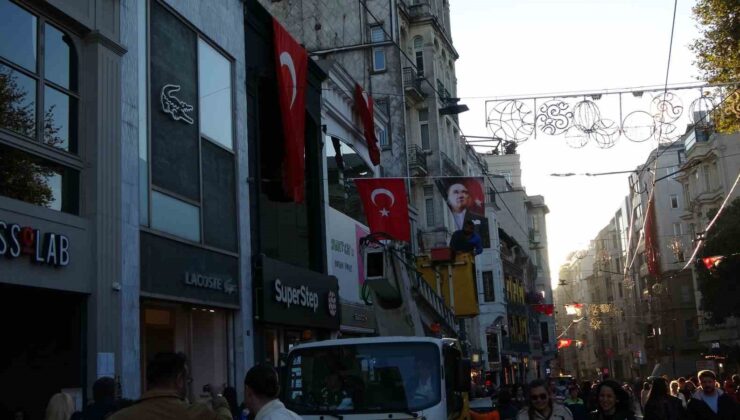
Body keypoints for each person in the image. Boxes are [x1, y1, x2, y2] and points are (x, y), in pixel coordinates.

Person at [109, 352, 231, 420]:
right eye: (187, 380)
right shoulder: (194, 414)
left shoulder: (120, 417)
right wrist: (219, 396)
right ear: (179, 380)